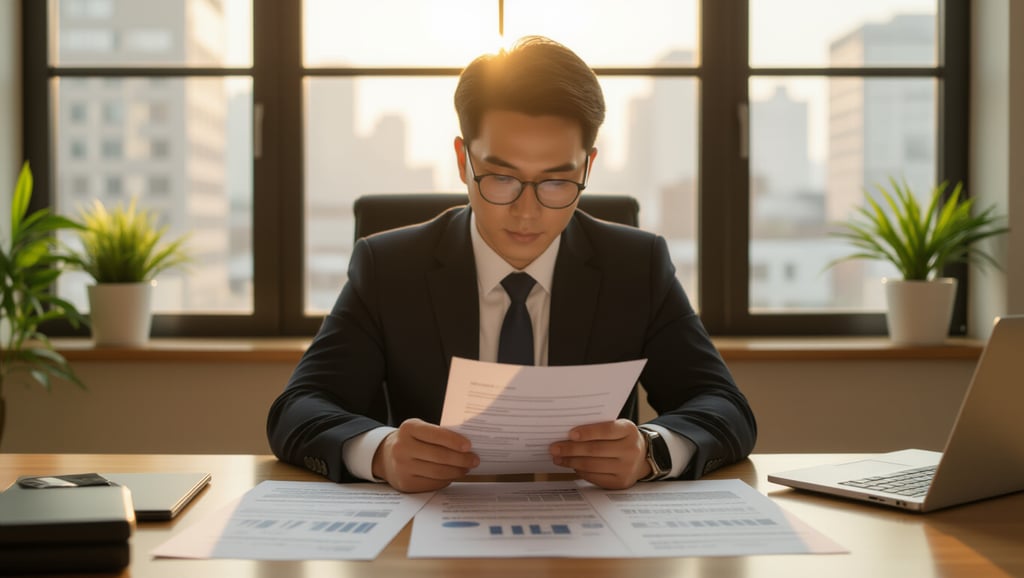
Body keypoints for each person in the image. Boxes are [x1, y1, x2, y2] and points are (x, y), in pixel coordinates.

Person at [267, 36, 756, 493]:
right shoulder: (390, 267)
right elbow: (299, 408)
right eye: (501, 178)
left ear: (588, 166)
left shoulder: (635, 266)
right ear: (464, 160)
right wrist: (381, 452)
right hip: (434, 524)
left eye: (556, 182)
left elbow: (724, 406)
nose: (527, 212)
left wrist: (650, 451)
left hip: (592, 532)